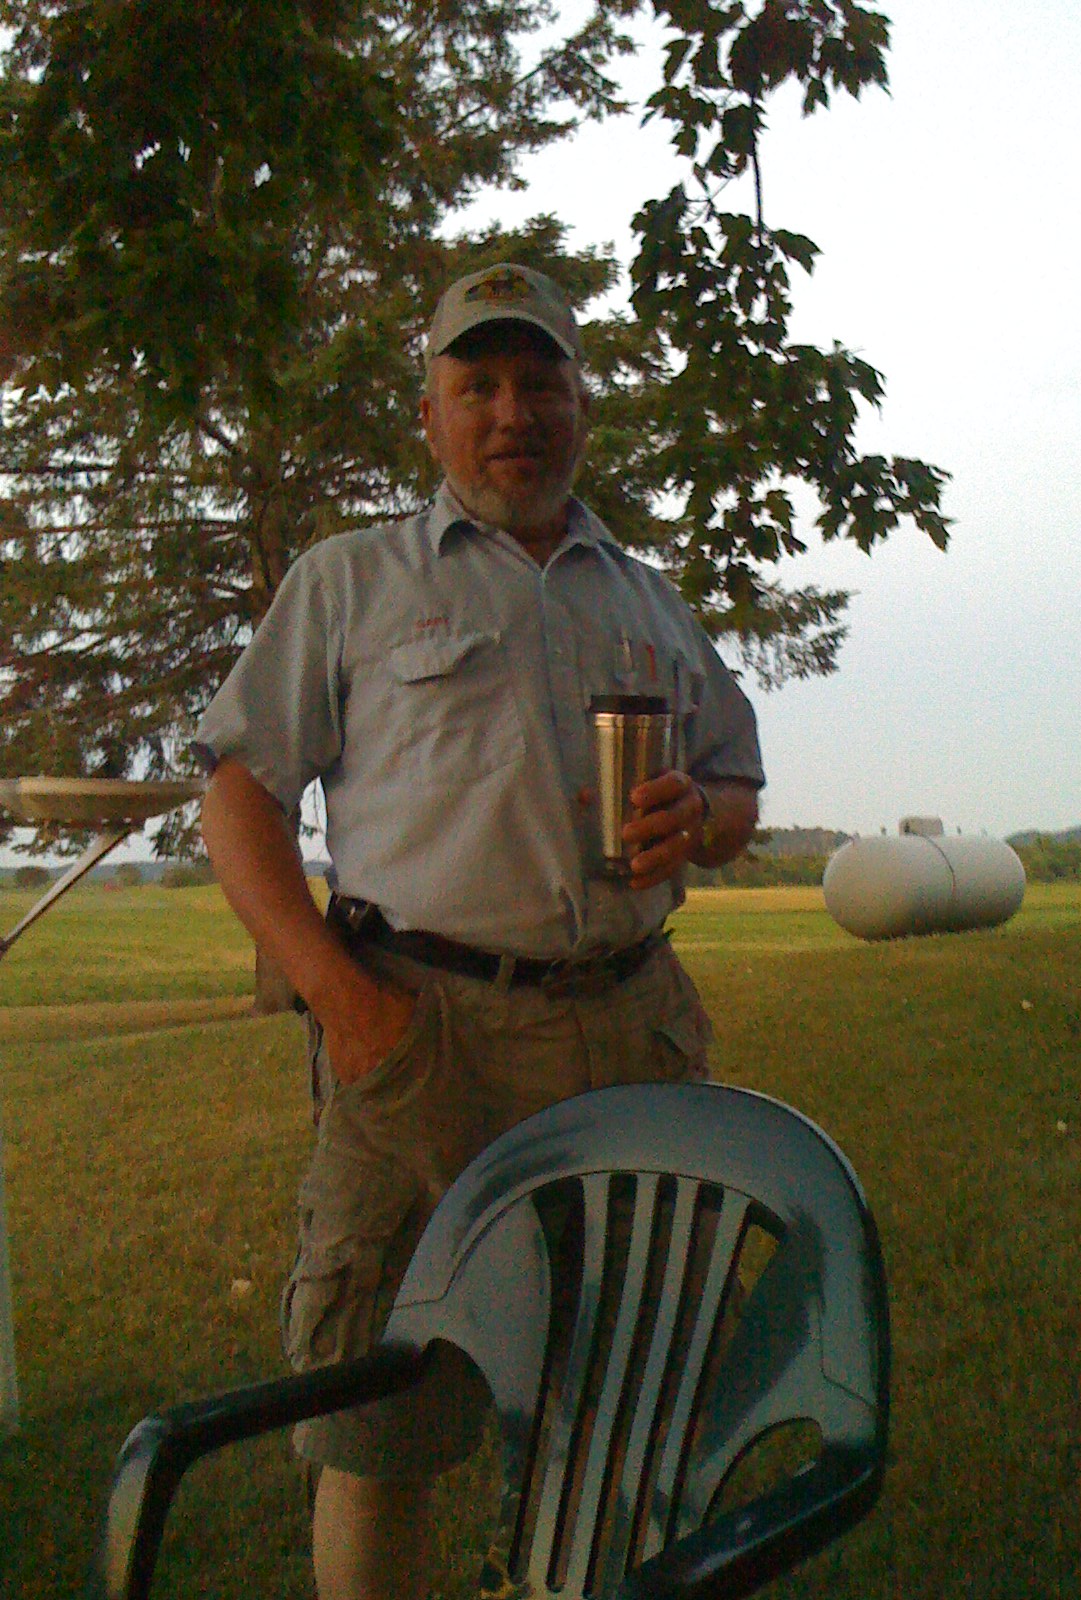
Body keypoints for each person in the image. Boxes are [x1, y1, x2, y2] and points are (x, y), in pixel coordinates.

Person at [195, 262, 764, 1600]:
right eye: (481, 385)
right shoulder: (351, 582)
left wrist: (711, 820)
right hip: (417, 1034)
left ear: (583, 408)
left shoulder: (646, 595)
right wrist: (341, 999)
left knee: (626, 1378)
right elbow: (237, 790)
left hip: (633, 1031)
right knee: (383, 1414)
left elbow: (736, 774)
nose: (514, 411)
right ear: (433, 414)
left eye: (541, 384)